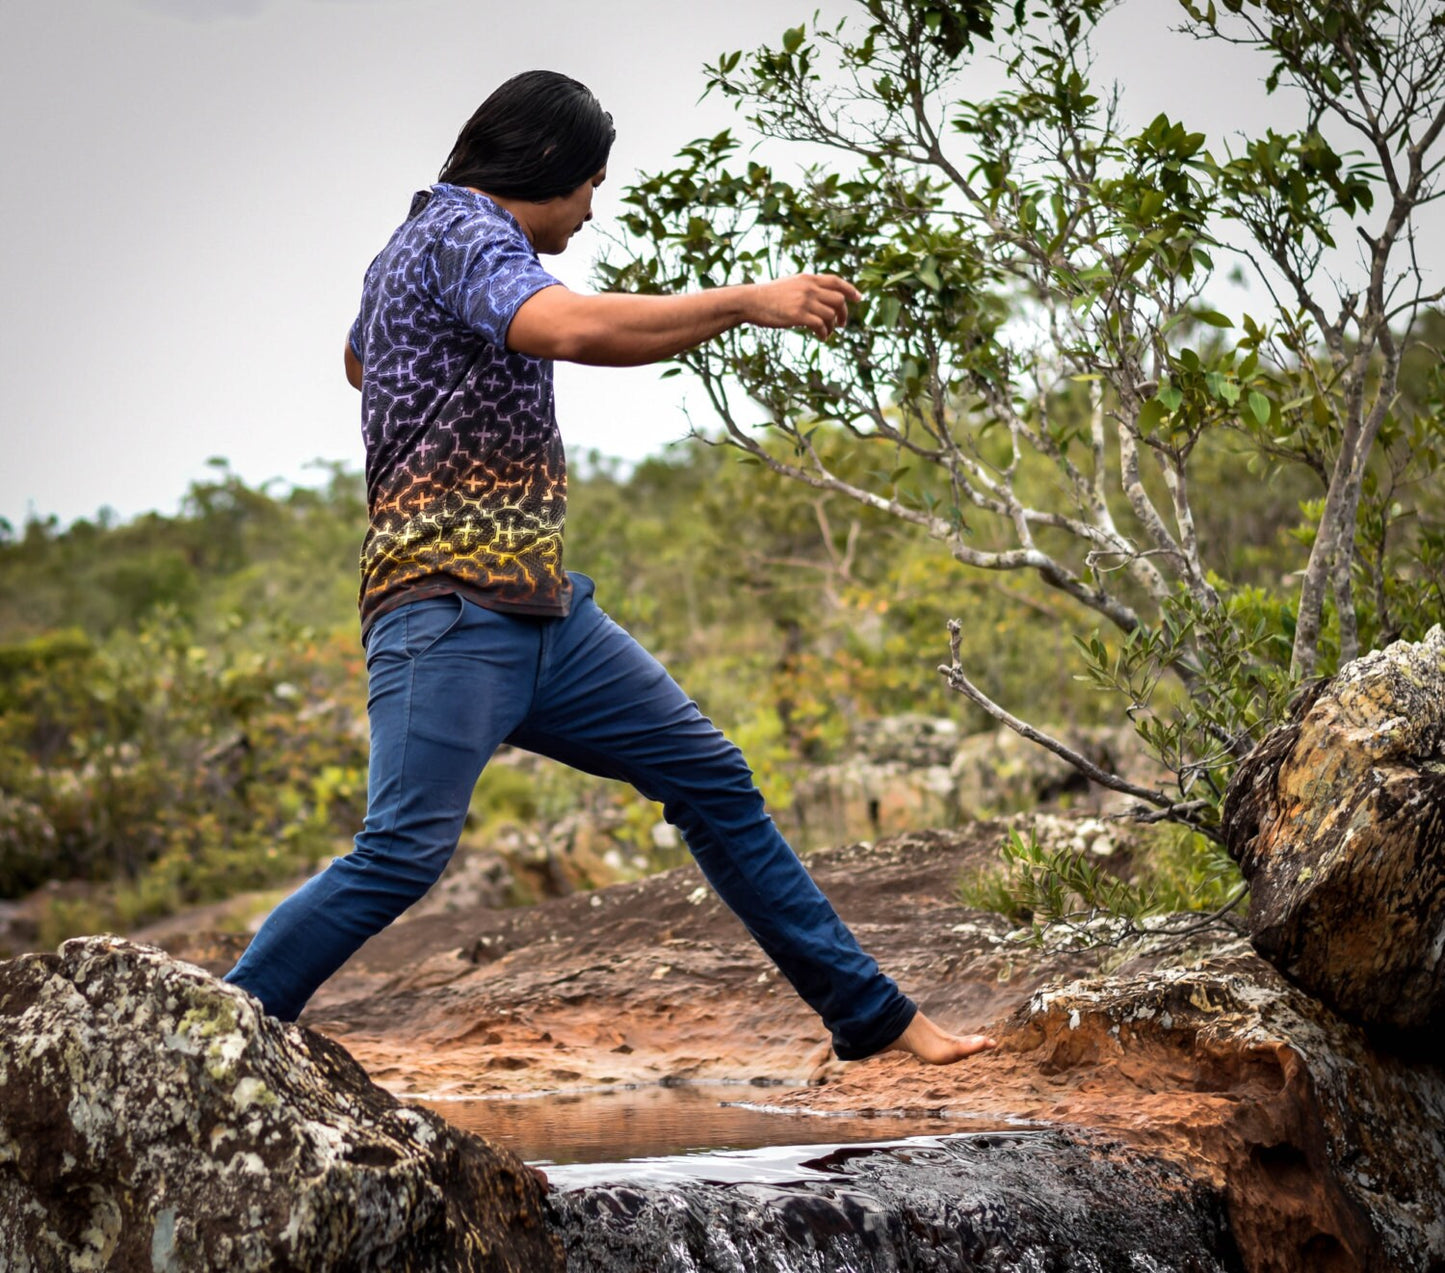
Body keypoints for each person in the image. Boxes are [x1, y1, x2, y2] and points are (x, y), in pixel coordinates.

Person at [224, 70, 996, 1066]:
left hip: (542, 615)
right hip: (446, 613)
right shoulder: (463, 233)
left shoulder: (413, 252)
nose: (592, 207)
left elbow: (359, 364)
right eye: (590, 183)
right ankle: (214, 1038)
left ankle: (873, 1016)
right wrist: (748, 301)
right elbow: (573, 330)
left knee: (712, 779)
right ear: (545, 170)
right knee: (400, 855)